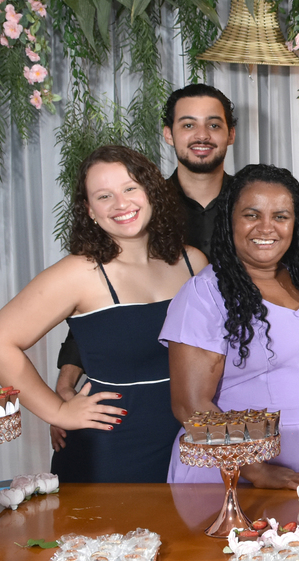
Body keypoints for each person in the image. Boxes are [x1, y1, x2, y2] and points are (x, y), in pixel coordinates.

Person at [0, 146, 207, 482]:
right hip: (112, 449)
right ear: (89, 210)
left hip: (189, 441)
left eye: (130, 188)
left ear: (151, 192)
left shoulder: (193, 262)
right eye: (104, 196)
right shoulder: (79, 273)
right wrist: (57, 411)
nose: (121, 204)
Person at [52, 83, 237, 452]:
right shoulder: (133, 206)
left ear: (230, 134)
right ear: (169, 134)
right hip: (130, 414)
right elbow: (100, 309)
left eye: (213, 125)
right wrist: (64, 391)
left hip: (224, 391)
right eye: (188, 125)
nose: (201, 134)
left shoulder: (255, 204)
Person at [163, 164, 299, 487]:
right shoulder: (206, 293)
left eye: (281, 216)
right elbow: (189, 406)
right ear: (230, 220)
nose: (266, 227)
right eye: (251, 215)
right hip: (237, 472)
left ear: (295, 223)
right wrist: (258, 471)